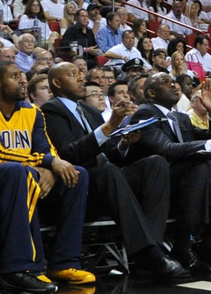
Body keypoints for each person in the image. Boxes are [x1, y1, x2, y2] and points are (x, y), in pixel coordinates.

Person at [41, 62, 186, 280]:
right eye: (73, 74)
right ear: (57, 83)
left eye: (81, 73)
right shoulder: (51, 110)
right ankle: (149, 253)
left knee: (155, 163)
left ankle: (152, 250)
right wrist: (108, 128)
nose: (81, 78)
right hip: (78, 188)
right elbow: (68, 154)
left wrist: (125, 144)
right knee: (107, 171)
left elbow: (111, 152)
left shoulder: (89, 110)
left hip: (108, 182)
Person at [126, 74, 211, 269]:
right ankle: (183, 246)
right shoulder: (144, 114)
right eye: (165, 83)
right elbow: (166, 149)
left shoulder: (179, 117)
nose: (174, 86)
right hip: (160, 185)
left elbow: (209, 137)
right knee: (197, 166)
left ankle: (208, 245)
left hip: (191, 180)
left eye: (174, 82)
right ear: (151, 93)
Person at [0, 61, 95, 286]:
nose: (22, 80)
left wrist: (50, 167)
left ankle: (65, 263)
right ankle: (20, 268)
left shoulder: (33, 112)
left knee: (77, 174)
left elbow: (48, 149)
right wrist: (45, 164)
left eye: (22, 74)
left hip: (24, 175)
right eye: (14, 76)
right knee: (17, 172)